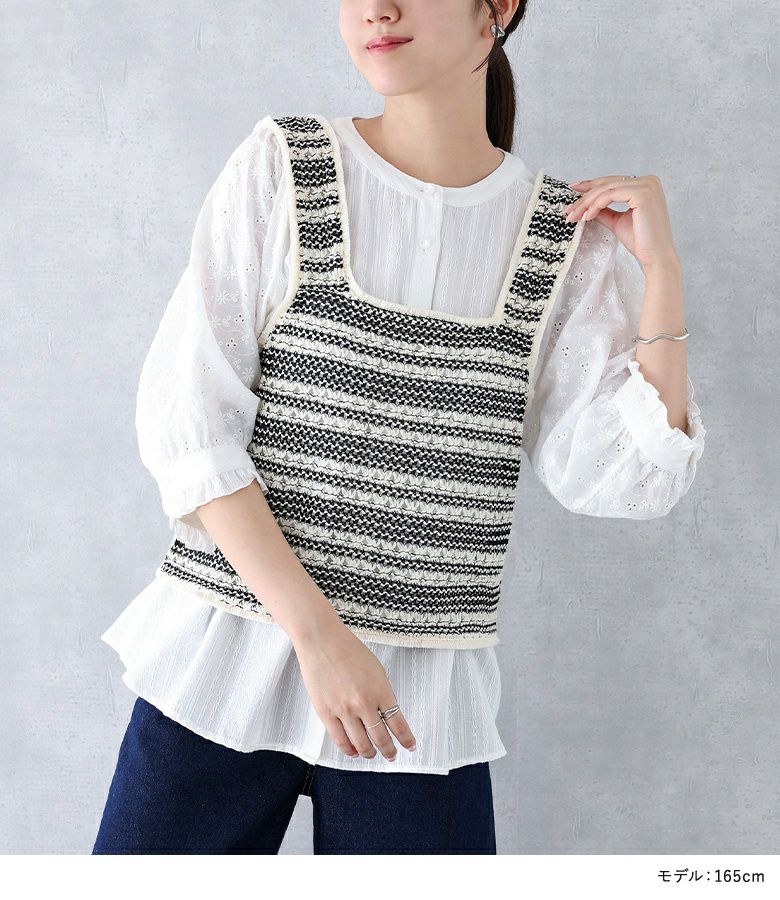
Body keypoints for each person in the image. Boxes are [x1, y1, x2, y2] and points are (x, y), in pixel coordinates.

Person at [92, 0, 706, 855]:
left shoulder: (563, 242)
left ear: (499, 7)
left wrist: (661, 269)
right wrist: (321, 640)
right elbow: (189, 426)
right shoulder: (285, 164)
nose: (377, 9)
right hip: (228, 661)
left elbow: (627, 481)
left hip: (419, 708)